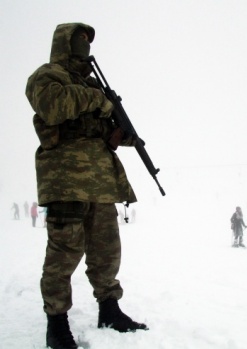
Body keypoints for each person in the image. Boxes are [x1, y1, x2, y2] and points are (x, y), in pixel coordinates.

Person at [25, 23, 147, 349]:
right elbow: (53, 106)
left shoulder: (92, 85)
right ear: (65, 42)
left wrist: (121, 135)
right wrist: (97, 99)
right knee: (63, 254)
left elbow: (101, 132)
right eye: (80, 38)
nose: (85, 44)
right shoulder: (47, 76)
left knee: (107, 251)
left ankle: (109, 309)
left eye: (88, 39)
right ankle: (57, 325)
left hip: (101, 181)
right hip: (65, 180)